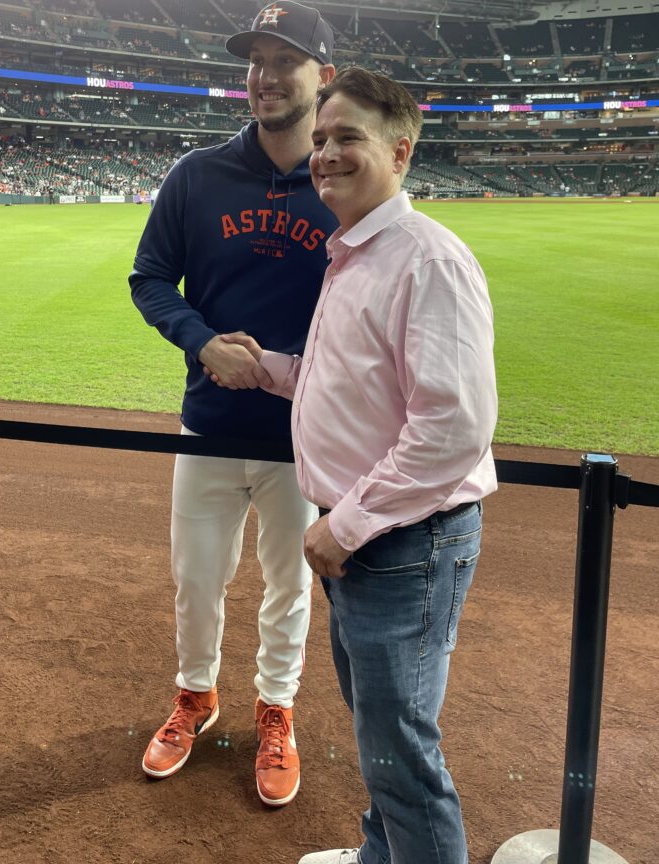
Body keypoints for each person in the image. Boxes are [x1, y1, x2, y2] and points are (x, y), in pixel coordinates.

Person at [206, 66, 498, 862]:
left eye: (349, 140)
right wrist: (265, 364)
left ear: (400, 152)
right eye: (322, 139)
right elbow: (343, 384)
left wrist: (352, 525)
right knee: (381, 735)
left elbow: (455, 426)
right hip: (375, 539)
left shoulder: (424, 260)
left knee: (401, 750)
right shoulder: (357, 253)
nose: (326, 154)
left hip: (401, 542)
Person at [128, 0, 337, 806]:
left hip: (302, 436)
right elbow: (149, 277)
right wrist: (200, 339)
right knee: (197, 576)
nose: (265, 76)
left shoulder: (340, 180)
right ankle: (196, 696)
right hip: (208, 426)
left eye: (284, 61)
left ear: (322, 76)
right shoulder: (196, 175)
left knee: (291, 584)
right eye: (255, 60)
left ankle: (276, 710)